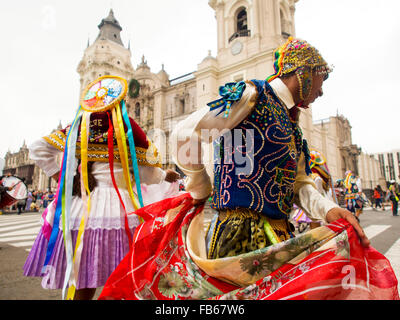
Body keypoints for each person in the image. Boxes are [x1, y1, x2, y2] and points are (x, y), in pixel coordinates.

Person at [97, 38, 399, 301]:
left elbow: (300, 185)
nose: (321, 91)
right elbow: (185, 133)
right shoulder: (250, 95)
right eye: (322, 79)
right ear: (302, 71)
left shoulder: (293, 129)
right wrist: (200, 186)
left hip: (280, 236)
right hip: (237, 233)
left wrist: (330, 211)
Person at [23, 75, 180, 300]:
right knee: (123, 280)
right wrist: (166, 175)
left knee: (83, 280)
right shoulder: (128, 129)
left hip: (80, 208)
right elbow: (146, 173)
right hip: (118, 211)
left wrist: (64, 178)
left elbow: (38, 148)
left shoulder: (81, 126)